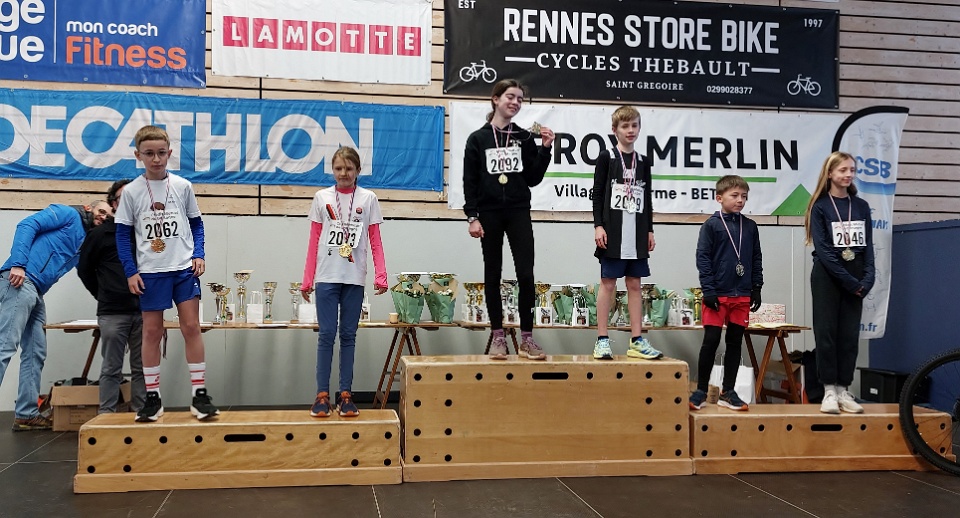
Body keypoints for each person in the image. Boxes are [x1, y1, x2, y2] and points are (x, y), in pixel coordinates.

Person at [114, 125, 218, 422]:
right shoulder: (132, 192)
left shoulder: (183, 186)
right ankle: (152, 398)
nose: (156, 159)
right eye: (149, 154)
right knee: (151, 332)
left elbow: (196, 223)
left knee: (191, 327)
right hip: (151, 272)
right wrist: (131, 271)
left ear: (170, 153)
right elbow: (122, 235)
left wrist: (199, 254)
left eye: (161, 153)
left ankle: (199, 395)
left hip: (183, 268)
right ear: (138, 155)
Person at [462, 79, 555, 360]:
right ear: (496, 99)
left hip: (518, 211)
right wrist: (472, 216)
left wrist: (545, 149)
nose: (515, 102)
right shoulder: (478, 139)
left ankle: (527, 339)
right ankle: (498, 337)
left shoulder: (524, 138)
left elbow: (533, 178)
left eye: (519, 99)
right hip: (489, 213)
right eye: (510, 97)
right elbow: (470, 180)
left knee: (526, 274)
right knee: (493, 273)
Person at [1, 200, 109, 431]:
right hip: (20, 281)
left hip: (36, 291)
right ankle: (26, 413)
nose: (103, 217)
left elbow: (90, 271)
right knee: (5, 346)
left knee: (35, 352)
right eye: (101, 211)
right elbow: (27, 225)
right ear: (88, 208)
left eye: (108, 217)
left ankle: (26, 414)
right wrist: (18, 264)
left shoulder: (86, 240)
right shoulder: (67, 213)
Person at [301, 146, 388, 418]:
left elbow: (375, 239)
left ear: (358, 170)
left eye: (349, 168)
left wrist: (381, 274)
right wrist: (307, 278)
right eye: (338, 168)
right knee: (326, 335)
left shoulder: (368, 198)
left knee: (349, 336)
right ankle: (322, 395)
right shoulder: (321, 197)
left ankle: (346, 394)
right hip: (326, 276)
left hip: (354, 278)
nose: (343, 173)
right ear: (332, 170)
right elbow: (314, 240)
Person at [804, 151, 874, 414]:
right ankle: (828, 391)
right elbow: (824, 251)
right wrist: (849, 282)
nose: (848, 174)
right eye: (843, 170)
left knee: (849, 336)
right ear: (830, 173)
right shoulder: (820, 206)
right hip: (828, 276)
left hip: (855, 277)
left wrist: (867, 279)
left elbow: (868, 248)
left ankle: (844, 389)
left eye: (852, 170)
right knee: (827, 334)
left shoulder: (861, 206)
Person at [591, 105, 663, 361]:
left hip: (637, 233)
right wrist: (598, 225)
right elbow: (597, 193)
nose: (630, 130)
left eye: (634, 125)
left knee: (635, 284)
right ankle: (602, 340)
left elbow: (648, 198)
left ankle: (637, 340)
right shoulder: (607, 157)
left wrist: (650, 229)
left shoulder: (643, 161)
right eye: (625, 126)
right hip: (613, 231)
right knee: (608, 283)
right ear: (615, 130)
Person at [689, 175, 763, 412]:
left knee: (735, 342)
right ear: (719, 198)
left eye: (744, 196)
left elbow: (756, 258)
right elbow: (703, 258)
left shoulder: (750, 227)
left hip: (742, 294)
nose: (740, 200)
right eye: (735, 195)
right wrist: (709, 289)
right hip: (718, 294)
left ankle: (728, 391)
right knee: (711, 341)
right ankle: (701, 390)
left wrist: (757, 287)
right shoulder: (711, 225)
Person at [78, 179, 146, 415]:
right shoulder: (99, 234)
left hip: (144, 311)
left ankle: (143, 413)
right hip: (113, 312)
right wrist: (103, 294)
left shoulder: (146, 234)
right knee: (111, 368)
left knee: (143, 367)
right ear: (113, 204)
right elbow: (84, 270)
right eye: (123, 198)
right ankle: (106, 416)